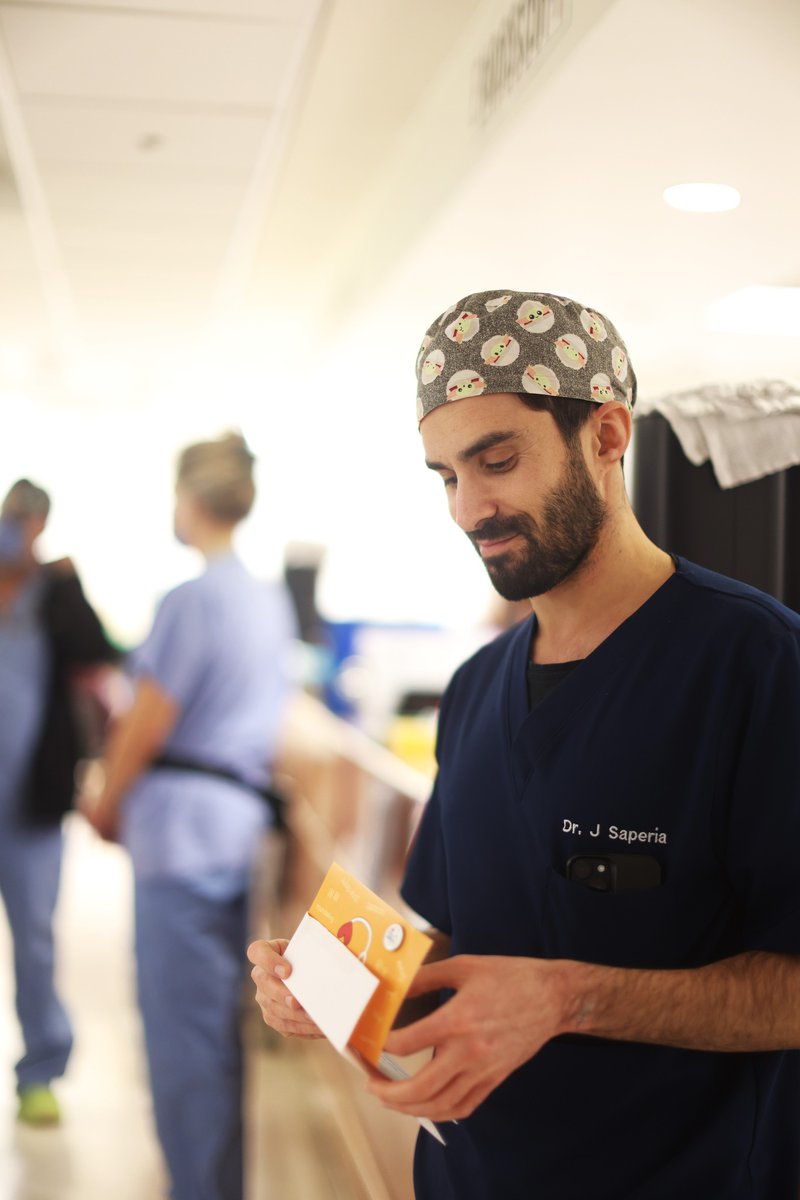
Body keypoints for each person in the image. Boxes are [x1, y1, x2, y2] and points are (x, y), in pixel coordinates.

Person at [248, 290, 800, 1199]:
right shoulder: (476, 690)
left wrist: (571, 997)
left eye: (496, 461)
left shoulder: (753, 667)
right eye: (446, 477)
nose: (469, 509)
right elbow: (459, 946)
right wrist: (336, 980)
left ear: (608, 436)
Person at [81, 433, 296, 1200]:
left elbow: (146, 719)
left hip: (177, 840)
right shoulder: (265, 598)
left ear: (191, 500)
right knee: (217, 1036)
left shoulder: (190, 598)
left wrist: (105, 799)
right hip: (234, 834)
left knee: (183, 1042)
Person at [0, 478, 118, 1125]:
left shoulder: (51, 594)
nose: (18, 528)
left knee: (36, 940)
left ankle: (40, 1069)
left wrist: (66, 583)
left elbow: (100, 652)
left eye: (28, 520)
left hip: (30, 806)